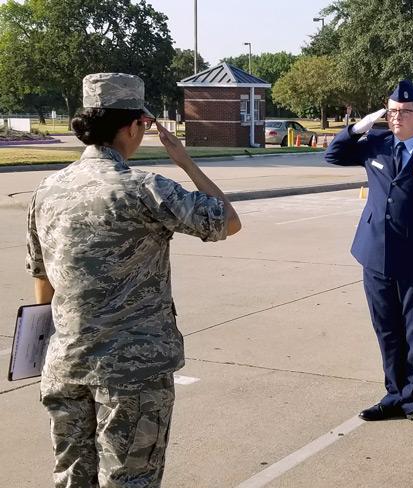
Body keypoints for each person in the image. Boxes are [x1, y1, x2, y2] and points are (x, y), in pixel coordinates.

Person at [26, 73, 242, 487]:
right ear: (133, 126)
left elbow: (42, 279)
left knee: (72, 478)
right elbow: (228, 221)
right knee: (130, 480)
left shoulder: (47, 189)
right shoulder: (144, 188)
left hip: (65, 364)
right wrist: (184, 160)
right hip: (131, 372)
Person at [324, 80, 413, 430]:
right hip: (376, 253)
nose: (396, 117)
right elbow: (333, 155)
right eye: (392, 111)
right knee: (387, 330)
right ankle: (394, 395)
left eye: (404, 112)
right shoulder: (375, 144)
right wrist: (356, 128)